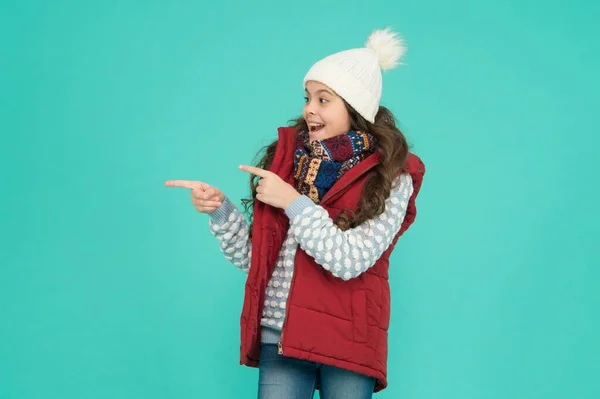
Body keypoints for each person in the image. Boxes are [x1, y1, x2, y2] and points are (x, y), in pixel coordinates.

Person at [166, 27, 426, 399]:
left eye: (324, 99)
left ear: (354, 108)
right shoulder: (287, 162)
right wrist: (220, 211)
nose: (309, 109)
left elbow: (350, 260)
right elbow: (259, 259)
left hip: (349, 340)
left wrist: (293, 202)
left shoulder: (392, 175)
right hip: (283, 332)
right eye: (308, 97)